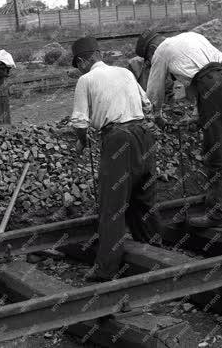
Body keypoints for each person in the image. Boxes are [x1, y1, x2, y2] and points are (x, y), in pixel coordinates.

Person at [70, 36, 162, 282]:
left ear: (83, 61)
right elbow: (147, 104)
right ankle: (157, 254)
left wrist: (82, 139)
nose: (78, 68)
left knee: (113, 205)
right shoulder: (125, 72)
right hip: (143, 134)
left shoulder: (85, 79)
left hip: (117, 137)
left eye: (77, 64)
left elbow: (79, 121)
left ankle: (106, 269)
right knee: (144, 199)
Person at [139, 30, 222, 228]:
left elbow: (153, 94)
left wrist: (157, 116)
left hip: (215, 88)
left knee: (216, 155)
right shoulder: (191, 36)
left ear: (152, 49)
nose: (151, 61)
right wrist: (199, 114)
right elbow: (211, 75)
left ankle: (219, 215)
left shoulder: (162, 50)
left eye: (149, 58)